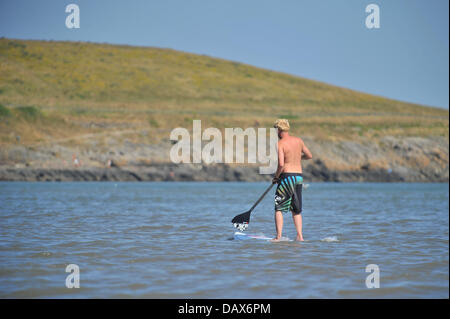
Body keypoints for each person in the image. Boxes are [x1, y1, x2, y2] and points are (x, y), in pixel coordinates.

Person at [272, 119, 312, 241]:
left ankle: (278, 237)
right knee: (296, 209)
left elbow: (281, 164)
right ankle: (300, 236)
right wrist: (297, 157)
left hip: (286, 177)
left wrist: (276, 177)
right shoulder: (298, 141)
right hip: (298, 177)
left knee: (278, 208)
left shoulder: (280, 144)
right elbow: (309, 156)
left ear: (279, 130)